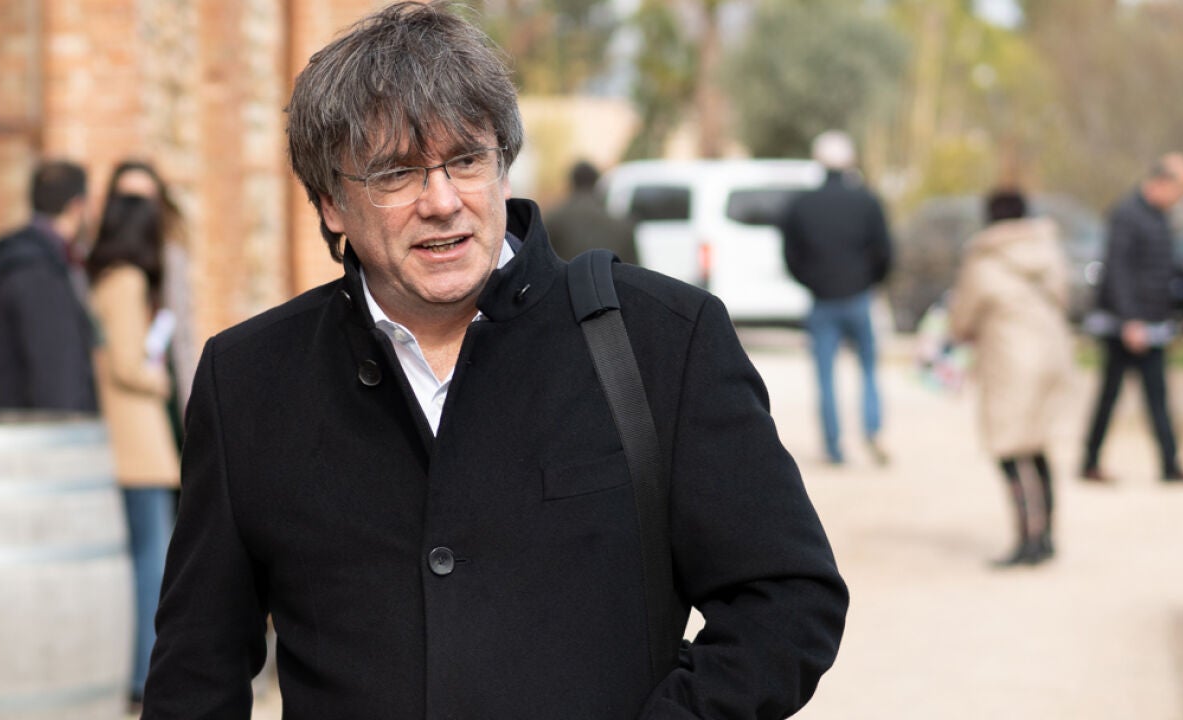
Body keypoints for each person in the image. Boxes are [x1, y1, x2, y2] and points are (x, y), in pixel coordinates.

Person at [141, 3, 847, 718]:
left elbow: (786, 600)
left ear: (504, 167)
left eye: (466, 160)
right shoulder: (248, 380)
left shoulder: (662, 339)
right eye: (396, 173)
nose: (443, 201)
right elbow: (195, 672)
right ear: (330, 203)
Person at [85, 194, 181, 711]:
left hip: (122, 441)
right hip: (137, 443)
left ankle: (140, 672)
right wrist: (159, 381)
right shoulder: (127, 281)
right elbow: (126, 363)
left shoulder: (103, 278)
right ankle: (145, 677)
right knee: (152, 564)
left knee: (143, 561)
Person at [949, 190, 1074, 566]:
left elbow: (962, 318)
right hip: (1051, 353)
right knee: (1037, 445)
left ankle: (1026, 540)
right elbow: (1064, 297)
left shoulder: (983, 258)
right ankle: (1047, 535)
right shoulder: (1047, 248)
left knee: (1008, 449)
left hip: (1010, 358)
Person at [1081, 153, 1183, 483]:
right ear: (1163, 182)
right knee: (1110, 395)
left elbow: (1158, 263)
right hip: (1126, 326)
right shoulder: (1127, 215)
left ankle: (1170, 465)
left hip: (1154, 322)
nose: (1181, 198)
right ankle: (1089, 462)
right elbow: (1117, 270)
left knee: (1158, 397)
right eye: (1181, 190)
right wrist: (1129, 320)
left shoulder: (1159, 217)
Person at [777, 130, 893, 465]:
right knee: (868, 369)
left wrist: (811, 282)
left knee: (825, 377)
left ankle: (833, 446)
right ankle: (872, 429)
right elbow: (885, 250)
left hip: (822, 300)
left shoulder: (802, 204)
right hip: (859, 298)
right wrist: (870, 281)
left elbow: (790, 255)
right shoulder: (867, 201)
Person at [0, 160, 97, 412]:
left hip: (9, 425)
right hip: (33, 430)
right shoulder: (38, 272)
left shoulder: (14, 258)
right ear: (77, 206)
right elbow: (56, 379)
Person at [103, 160, 198, 439]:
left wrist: (191, 404)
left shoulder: (170, 255)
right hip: (128, 393)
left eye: (145, 200)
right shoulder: (109, 266)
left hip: (165, 377)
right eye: (128, 200)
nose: (138, 210)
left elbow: (182, 332)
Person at [545, 159, 638, 264]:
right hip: (608, 274)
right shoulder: (621, 224)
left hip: (570, 273)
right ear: (596, 183)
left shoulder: (555, 218)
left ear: (572, 182)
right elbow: (634, 267)